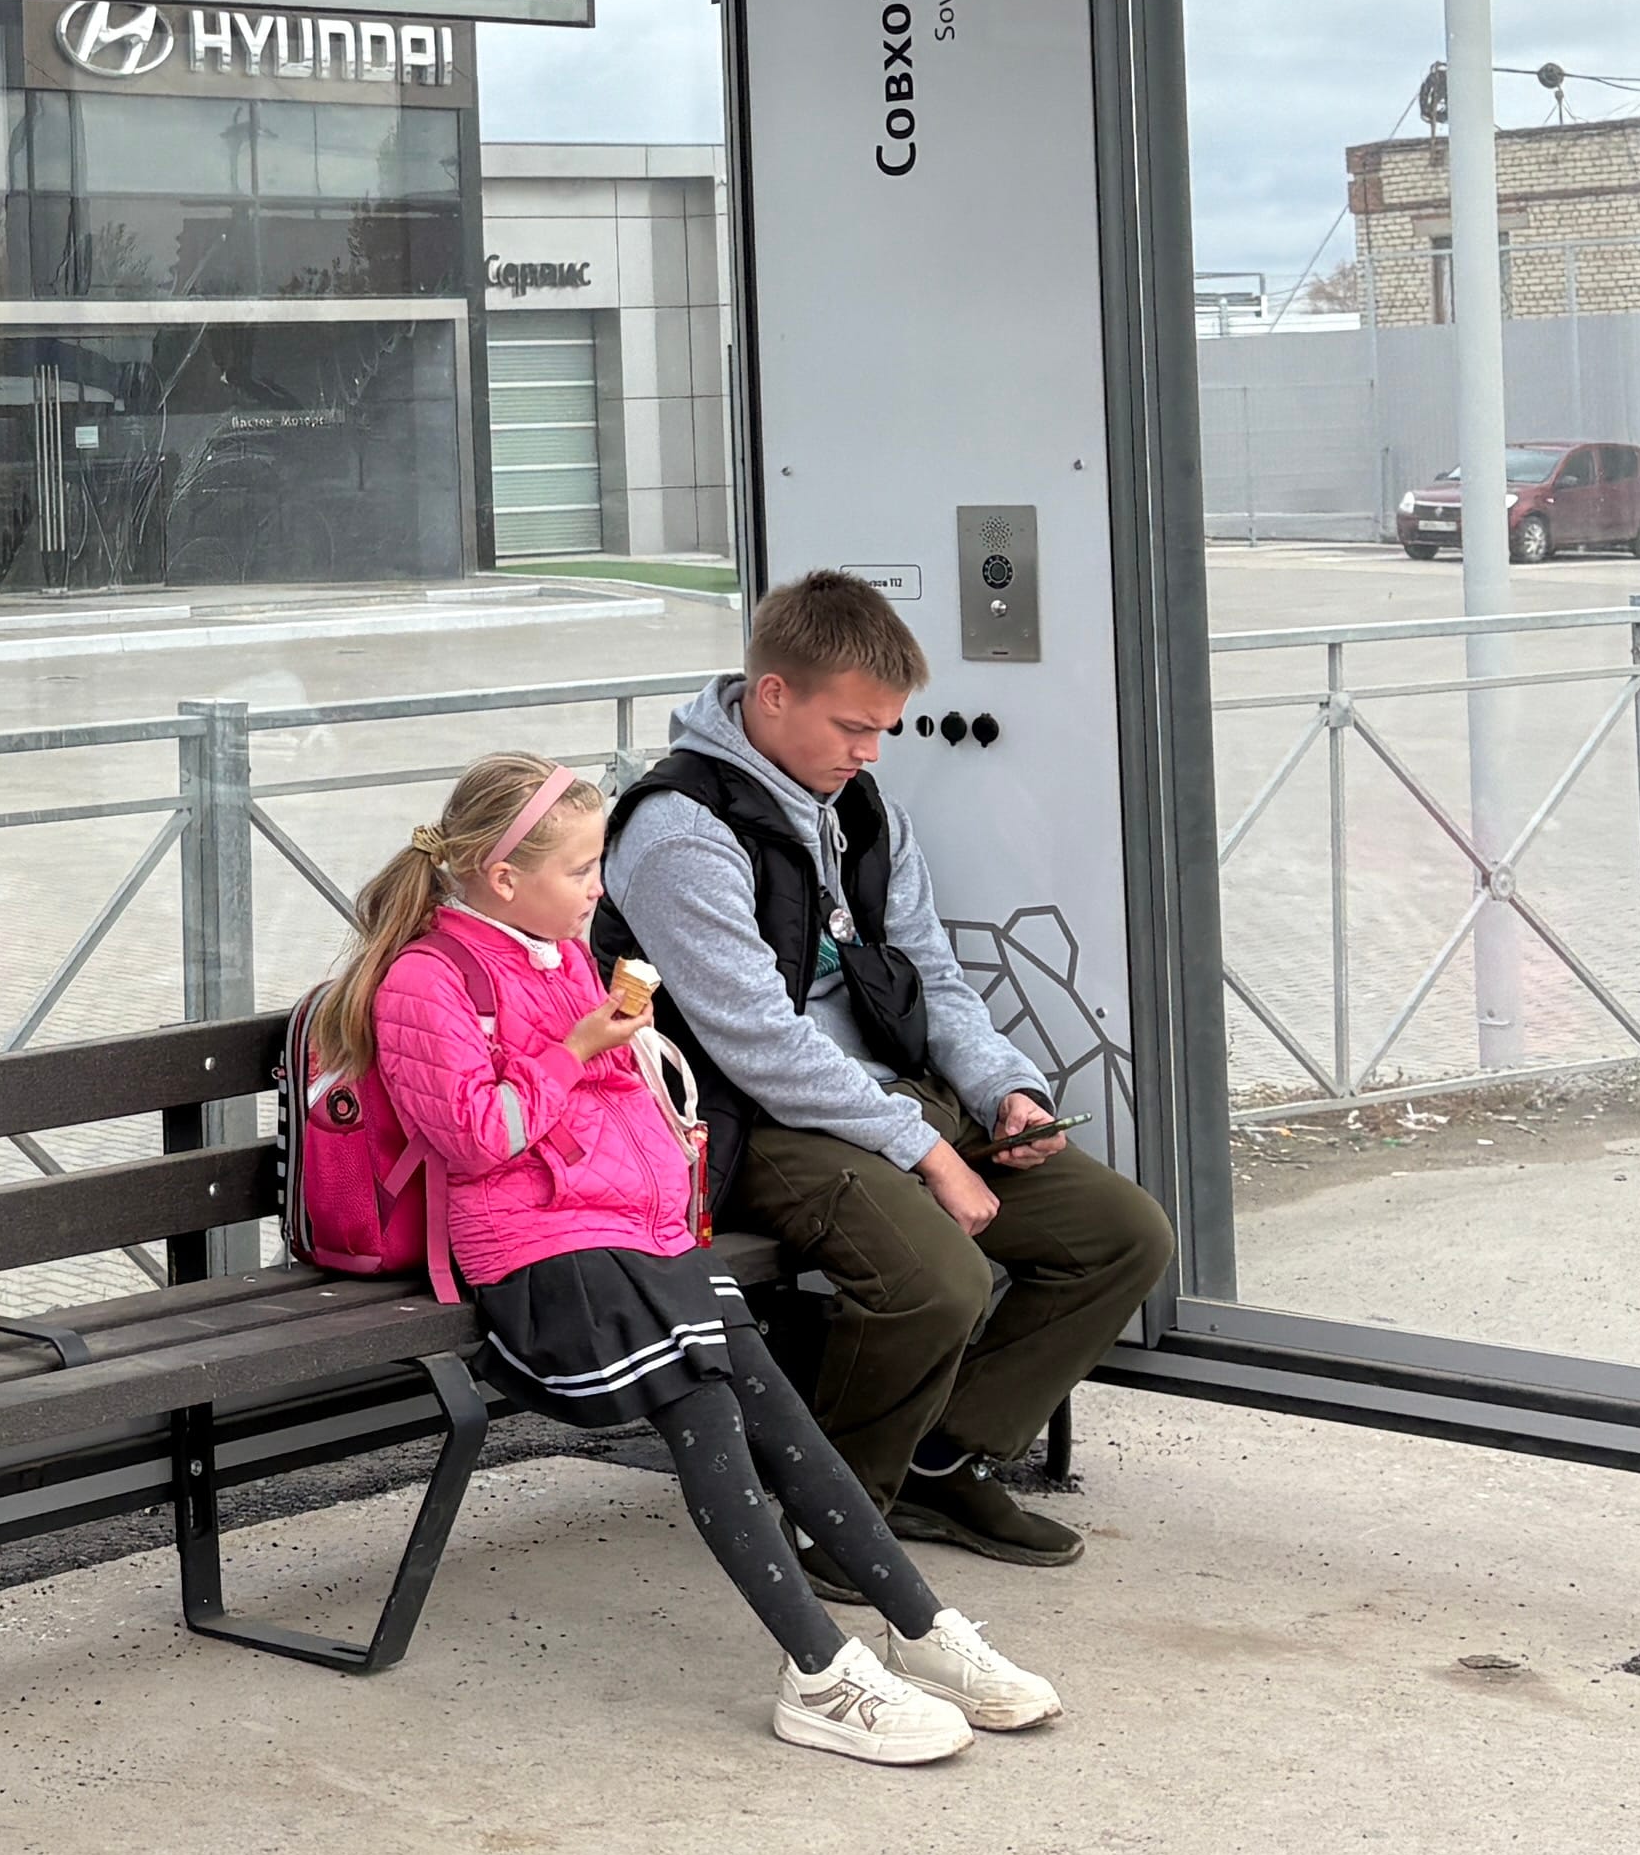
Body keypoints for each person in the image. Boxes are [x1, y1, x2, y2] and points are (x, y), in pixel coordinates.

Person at [305, 747, 1063, 1767]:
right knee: (706, 1406)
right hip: (537, 1261)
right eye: (580, 870)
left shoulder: (558, 952)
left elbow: (612, 1117)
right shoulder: (425, 981)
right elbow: (480, 1140)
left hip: (628, 1238)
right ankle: (819, 1672)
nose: (598, 890)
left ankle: (922, 1628)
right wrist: (580, 1047)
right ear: (502, 878)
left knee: (770, 1403)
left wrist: (618, 1049)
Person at [599, 572, 1179, 1578]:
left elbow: (936, 980)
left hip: (883, 1099)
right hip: (747, 1124)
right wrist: (927, 1152)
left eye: (884, 730)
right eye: (853, 727)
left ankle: (937, 1463)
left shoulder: (865, 814)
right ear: (772, 694)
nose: (870, 752)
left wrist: (1006, 1090)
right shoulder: (678, 832)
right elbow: (759, 1045)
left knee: (1121, 1235)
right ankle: (839, 1520)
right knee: (934, 1284)